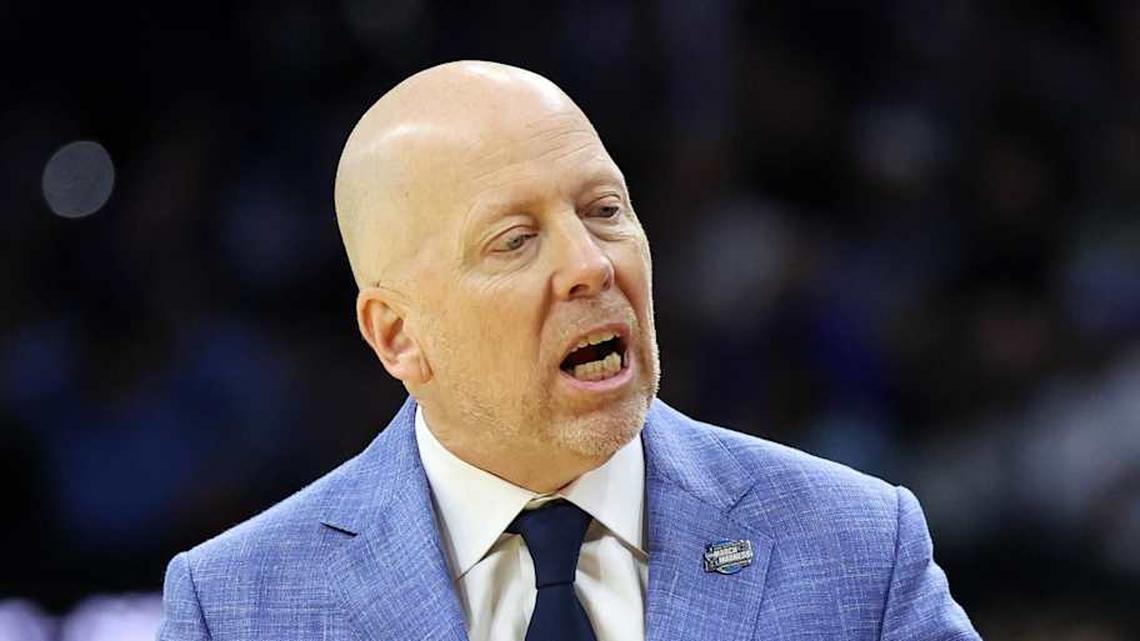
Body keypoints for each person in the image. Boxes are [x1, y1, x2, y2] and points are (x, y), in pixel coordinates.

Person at [158, 61, 981, 641]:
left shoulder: (858, 546)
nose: (591, 264)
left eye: (604, 209)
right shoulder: (237, 607)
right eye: (515, 240)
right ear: (398, 335)